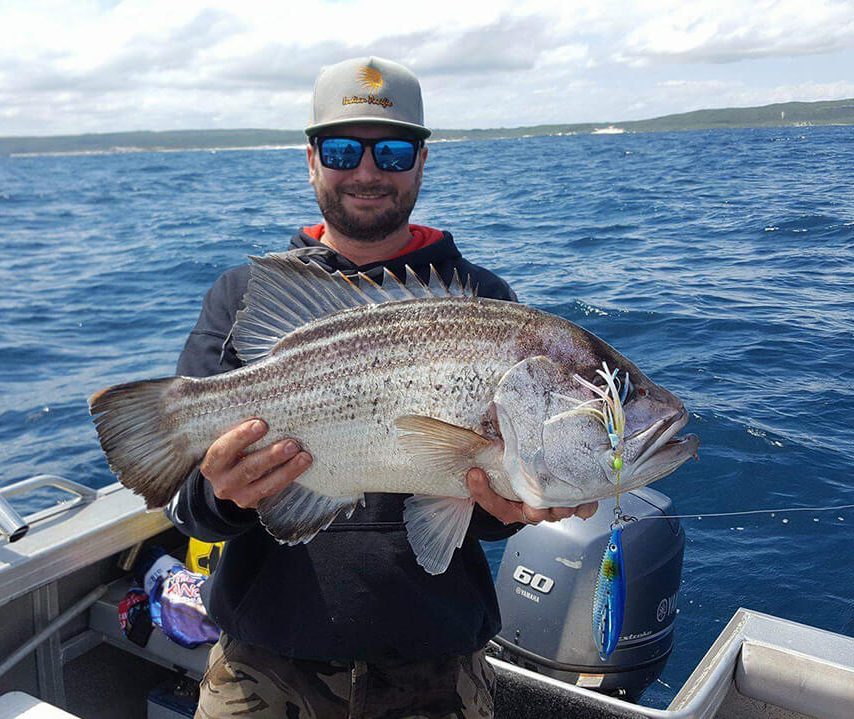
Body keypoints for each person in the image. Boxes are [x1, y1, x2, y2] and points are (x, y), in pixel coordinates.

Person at [165, 56, 598, 719]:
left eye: (391, 152)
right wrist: (223, 492)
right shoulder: (245, 295)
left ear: (420, 160)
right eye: (343, 150)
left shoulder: (484, 300)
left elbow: (476, 512)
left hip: (439, 667)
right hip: (261, 666)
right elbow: (185, 504)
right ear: (312, 159)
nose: (367, 172)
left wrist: (512, 502)